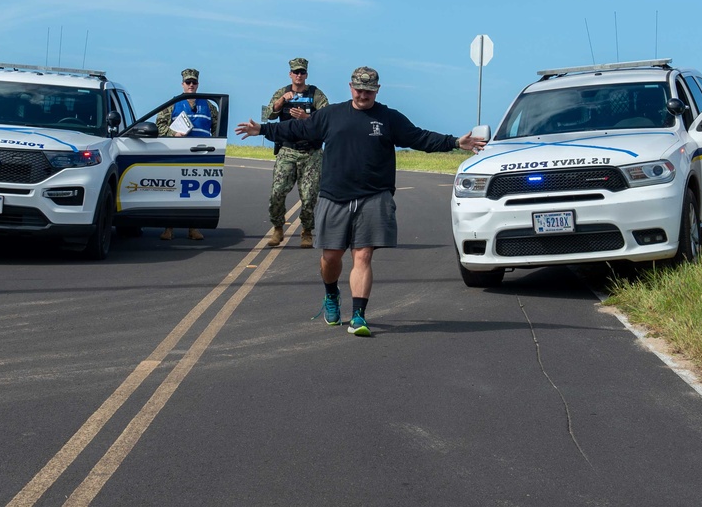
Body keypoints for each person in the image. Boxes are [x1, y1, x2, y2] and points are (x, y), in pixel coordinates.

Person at [236, 66, 487, 337]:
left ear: (377, 90)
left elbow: (419, 137)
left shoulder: (388, 118)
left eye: (369, 90)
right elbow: (297, 129)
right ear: (350, 87)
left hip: (373, 196)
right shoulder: (331, 115)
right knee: (330, 257)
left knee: (362, 255)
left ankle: (358, 315)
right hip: (334, 196)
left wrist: (453, 142)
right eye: (359, 89)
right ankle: (331, 294)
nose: (363, 94)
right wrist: (261, 128)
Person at [264, 57, 329, 249]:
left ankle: (307, 231)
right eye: (296, 72)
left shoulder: (315, 94)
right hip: (287, 150)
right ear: (290, 74)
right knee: (277, 192)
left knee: (309, 196)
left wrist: (307, 117)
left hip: (310, 152)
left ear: (306, 75)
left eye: (302, 72)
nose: (299, 75)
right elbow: (269, 114)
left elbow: (326, 119)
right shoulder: (282, 92)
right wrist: (282, 101)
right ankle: (277, 228)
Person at [156, 68, 218, 241]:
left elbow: (217, 128)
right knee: (173, 190)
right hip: (178, 154)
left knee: (196, 192)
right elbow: (159, 125)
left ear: (198, 84)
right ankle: (168, 228)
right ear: (182, 84)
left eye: (194, 82)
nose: (191, 85)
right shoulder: (173, 104)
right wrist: (172, 134)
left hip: (201, 155)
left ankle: (193, 228)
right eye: (188, 82)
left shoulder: (209, 106)